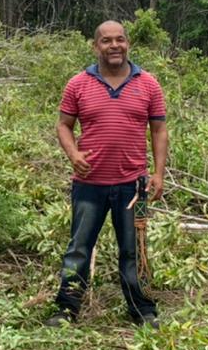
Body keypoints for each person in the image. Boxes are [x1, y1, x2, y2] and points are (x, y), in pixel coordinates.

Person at [46, 20, 167, 328]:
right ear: (95, 46)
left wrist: (159, 173)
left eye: (120, 40)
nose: (114, 46)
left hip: (134, 185)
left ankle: (143, 310)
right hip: (89, 185)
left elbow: (159, 129)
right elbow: (63, 125)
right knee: (78, 250)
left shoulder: (148, 84)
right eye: (106, 41)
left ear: (128, 43)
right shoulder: (78, 84)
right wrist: (73, 154)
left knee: (135, 250)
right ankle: (66, 310)